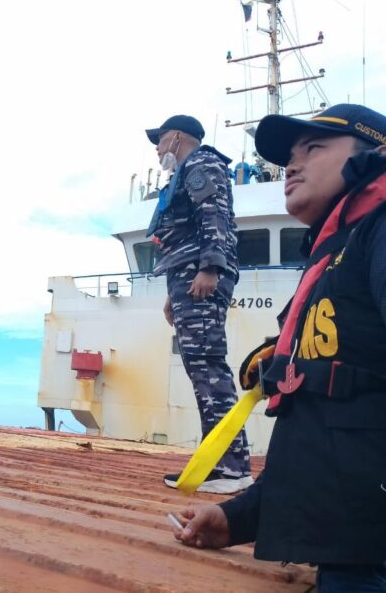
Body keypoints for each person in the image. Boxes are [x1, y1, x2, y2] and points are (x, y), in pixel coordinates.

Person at [172, 104, 386, 591]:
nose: (291, 165)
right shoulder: (331, 262)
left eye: (313, 148)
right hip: (347, 552)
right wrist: (237, 518)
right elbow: (323, 439)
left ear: (376, 155)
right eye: (290, 155)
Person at [145, 115, 251, 493]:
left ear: (176, 137)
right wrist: (174, 294)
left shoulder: (202, 165)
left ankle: (233, 468)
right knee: (201, 370)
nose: (157, 149)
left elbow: (215, 218)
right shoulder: (188, 169)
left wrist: (209, 269)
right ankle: (217, 462)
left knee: (208, 367)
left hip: (200, 276)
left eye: (159, 140)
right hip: (185, 279)